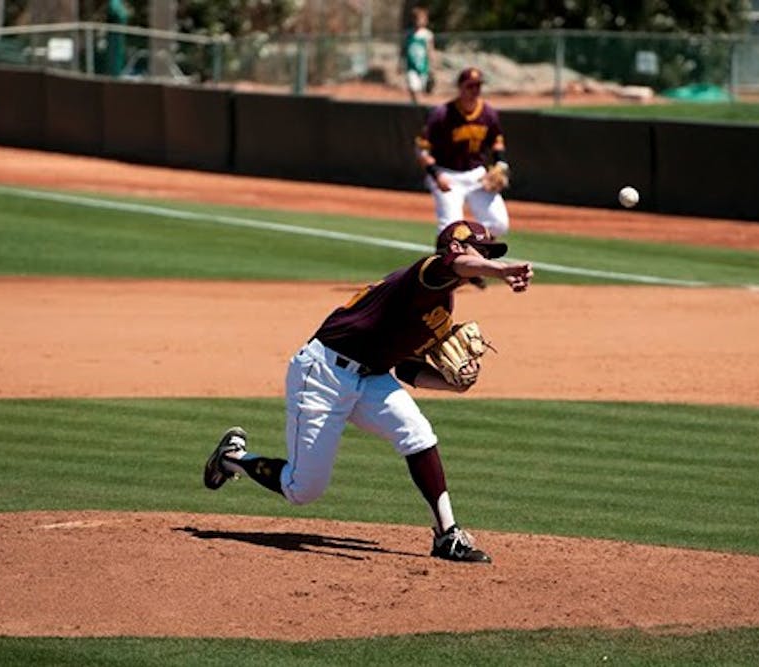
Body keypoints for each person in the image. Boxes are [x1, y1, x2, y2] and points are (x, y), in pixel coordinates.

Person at [203, 220, 533, 563]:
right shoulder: (427, 273)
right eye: (485, 250)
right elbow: (455, 265)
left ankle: (447, 535)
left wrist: (451, 384)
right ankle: (231, 458)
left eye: (493, 254)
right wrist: (501, 270)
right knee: (303, 489)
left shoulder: (443, 308)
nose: (489, 256)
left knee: (418, 434)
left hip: (372, 378)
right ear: (456, 248)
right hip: (323, 373)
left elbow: (406, 367)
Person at [415, 67, 511, 239]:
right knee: (450, 230)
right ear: (460, 88)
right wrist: (436, 175)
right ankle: (445, 263)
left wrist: (501, 164)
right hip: (447, 174)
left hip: (476, 176)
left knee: (499, 224)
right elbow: (422, 149)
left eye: (478, 86)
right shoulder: (442, 114)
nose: (475, 90)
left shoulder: (488, 114)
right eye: (470, 86)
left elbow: (496, 142)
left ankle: (477, 253)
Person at [402, 6, 436, 105]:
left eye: (421, 19)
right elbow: (404, 49)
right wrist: (400, 63)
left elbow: (430, 50)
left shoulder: (427, 35)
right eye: (416, 19)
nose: (418, 21)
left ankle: (418, 106)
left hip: (423, 67)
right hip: (411, 66)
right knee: (413, 87)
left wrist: (432, 67)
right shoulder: (408, 34)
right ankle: (416, 107)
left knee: (421, 89)